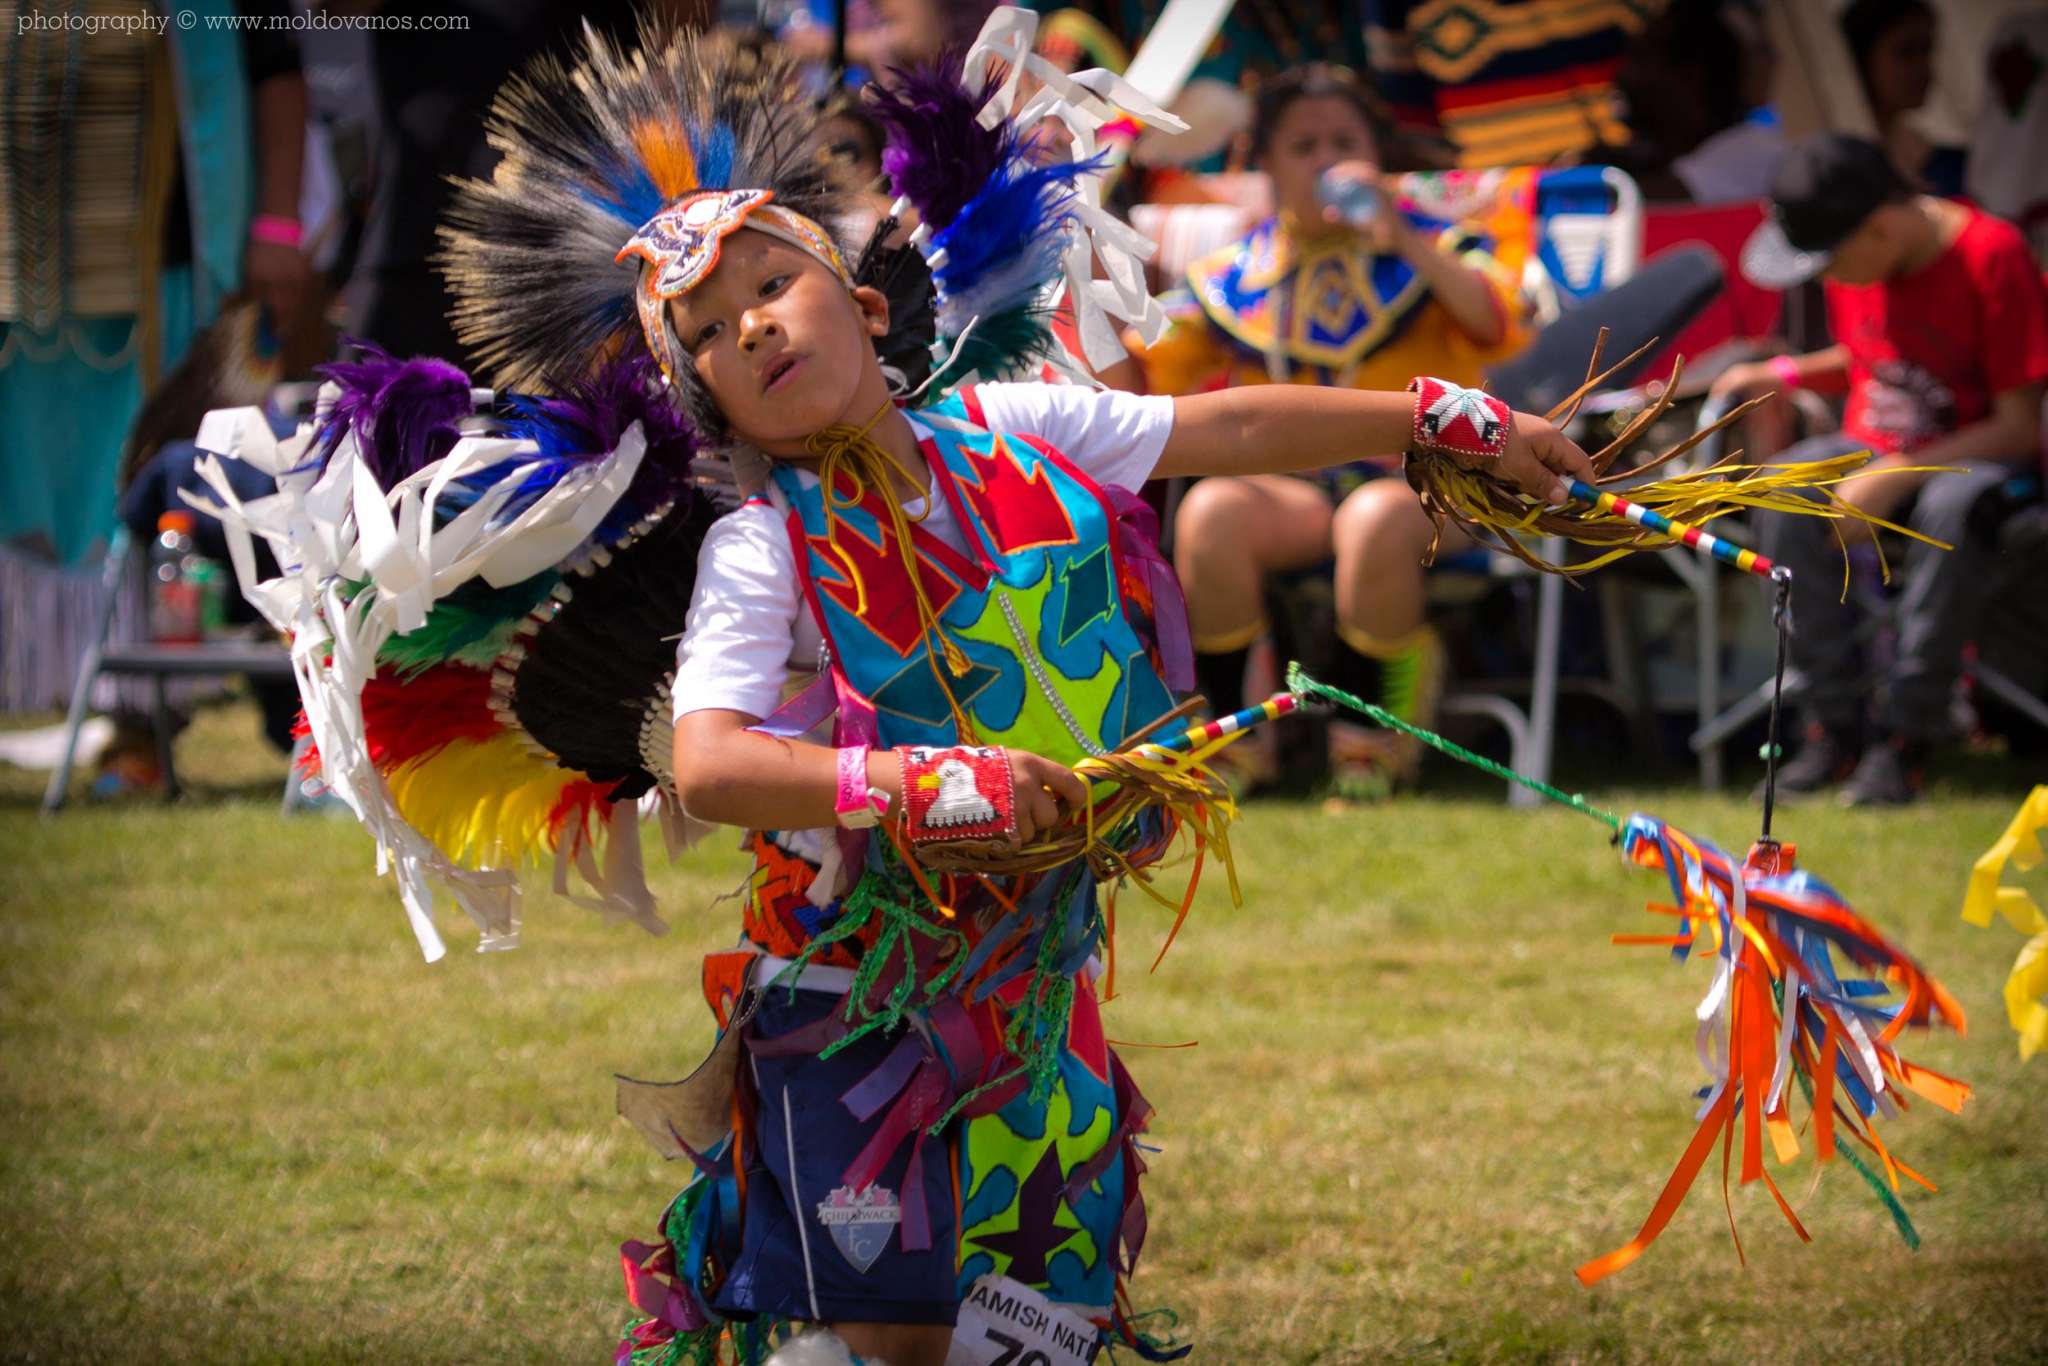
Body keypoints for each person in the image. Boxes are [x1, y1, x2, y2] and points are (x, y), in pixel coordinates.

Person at [430, 19, 1595, 1365]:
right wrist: (919, 780)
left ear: (866, 307)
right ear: (714, 404)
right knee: (890, 1335)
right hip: (855, 990)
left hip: (1034, 980)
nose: (747, 323)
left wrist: (1436, 417)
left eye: (771, 283)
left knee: (1043, 1321)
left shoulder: (1009, 431)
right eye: (706, 332)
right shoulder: (764, 547)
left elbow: (1227, 427)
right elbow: (712, 764)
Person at [1130, 65, 1529, 797]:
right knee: (1212, 512)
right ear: (1266, 165)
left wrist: (1403, 237)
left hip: (1430, 486)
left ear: (1376, 156)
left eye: (1345, 143)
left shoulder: (1438, 247)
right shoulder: (1233, 276)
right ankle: (1237, 739)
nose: (1325, 161)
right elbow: (1146, 372)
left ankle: (1370, 744)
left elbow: (1496, 321)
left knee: (1374, 518)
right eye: (1303, 146)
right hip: (1300, 494)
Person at [1710, 133, 2048, 805]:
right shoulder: (1867, 262)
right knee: (1783, 489)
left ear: (1881, 228)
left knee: (1952, 509)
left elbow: (2019, 426)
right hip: (1876, 451)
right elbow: (1871, 355)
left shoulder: (1991, 255)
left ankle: (1907, 734)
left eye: (1829, 262)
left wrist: (1899, 473)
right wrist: (1782, 372)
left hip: (1979, 467)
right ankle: (1831, 726)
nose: (1825, 280)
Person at [1841, 0, 1965, 196]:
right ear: (1864, 60)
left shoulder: (1943, 163)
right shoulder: (1844, 164)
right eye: (1906, 52)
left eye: (1927, 50)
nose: (1923, 68)